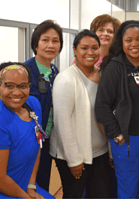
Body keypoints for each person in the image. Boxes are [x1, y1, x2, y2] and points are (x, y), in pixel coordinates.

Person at [95, 20, 139, 198]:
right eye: (129, 40)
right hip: (127, 139)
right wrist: (116, 135)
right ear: (122, 42)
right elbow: (102, 105)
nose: (134, 44)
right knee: (128, 189)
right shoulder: (115, 66)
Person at [50, 30, 111, 198]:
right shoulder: (66, 79)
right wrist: (74, 159)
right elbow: (63, 122)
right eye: (84, 48)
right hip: (72, 155)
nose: (90, 52)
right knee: (74, 195)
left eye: (94, 48)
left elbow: (109, 114)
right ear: (74, 50)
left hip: (100, 152)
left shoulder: (103, 75)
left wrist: (111, 150)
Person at [0, 62, 54, 199]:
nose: (17, 92)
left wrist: (31, 188)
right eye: (9, 86)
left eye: (23, 86)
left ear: (29, 86)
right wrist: (25, 196)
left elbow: (37, 145)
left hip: (25, 187)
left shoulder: (33, 104)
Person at [24, 19, 63, 191]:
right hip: (28, 141)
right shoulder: (24, 71)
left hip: (47, 140)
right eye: (45, 40)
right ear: (36, 43)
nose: (50, 45)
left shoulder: (55, 71)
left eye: (55, 41)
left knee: (43, 185)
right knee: (27, 185)